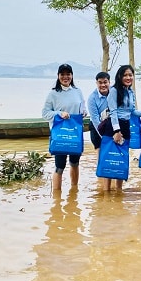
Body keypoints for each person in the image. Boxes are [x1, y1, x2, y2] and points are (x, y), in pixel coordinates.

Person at [42, 63, 87, 191]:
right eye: (63, 74)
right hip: (60, 135)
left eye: (68, 74)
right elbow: (45, 113)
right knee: (59, 167)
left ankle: (74, 192)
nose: (65, 77)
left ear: (72, 76)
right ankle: (57, 199)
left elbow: (83, 109)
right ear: (58, 76)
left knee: (75, 163)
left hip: (75, 134)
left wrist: (84, 112)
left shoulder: (78, 92)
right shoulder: (53, 94)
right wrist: (59, 113)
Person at [102, 65, 141, 192]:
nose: (128, 77)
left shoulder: (130, 92)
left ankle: (119, 190)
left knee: (121, 158)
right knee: (109, 158)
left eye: (130, 75)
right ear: (120, 76)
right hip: (113, 127)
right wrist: (116, 131)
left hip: (126, 126)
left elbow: (131, 111)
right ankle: (106, 192)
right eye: (125, 75)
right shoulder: (114, 91)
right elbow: (113, 112)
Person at [87, 71, 111, 189]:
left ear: (109, 82)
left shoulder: (114, 93)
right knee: (101, 155)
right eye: (100, 83)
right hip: (97, 129)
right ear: (96, 83)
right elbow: (96, 120)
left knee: (112, 155)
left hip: (111, 127)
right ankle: (101, 185)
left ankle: (111, 181)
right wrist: (104, 137)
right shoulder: (92, 98)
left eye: (105, 82)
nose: (103, 85)